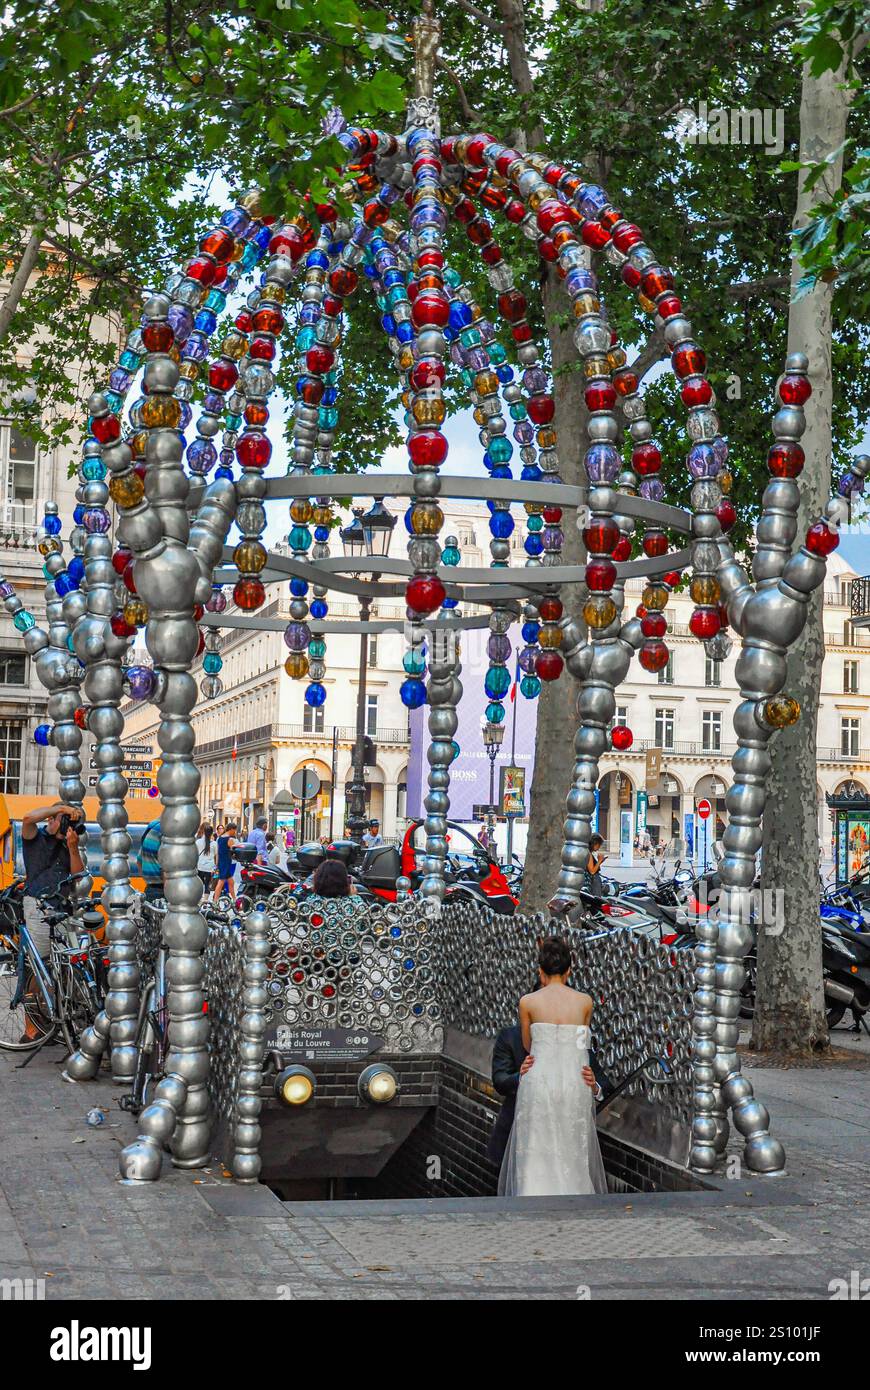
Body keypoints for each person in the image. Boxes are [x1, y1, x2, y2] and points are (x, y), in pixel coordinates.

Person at [498, 936, 608, 1197]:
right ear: (570, 970)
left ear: (540, 971)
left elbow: (527, 1044)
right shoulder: (585, 1001)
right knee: (572, 1147)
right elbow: (584, 1042)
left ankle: (532, 1196)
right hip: (574, 1080)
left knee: (537, 1145)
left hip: (540, 1080)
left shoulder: (528, 1002)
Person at [486, 1009, 612, 1169]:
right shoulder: (511, 1037)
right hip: (519, 1138)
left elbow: (604, 1086)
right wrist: (522, 1077)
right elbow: (500, 1081)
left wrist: (594, 1087)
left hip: (566, 1145)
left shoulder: (576, 1039)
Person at [137, 817, 165, 903]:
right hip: (162, 891)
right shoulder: (166, 830)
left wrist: (149, 879)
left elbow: (139, 861)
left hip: (150, 890)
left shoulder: (151, 829)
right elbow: (165, 869)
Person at [214, 822, 239, 901]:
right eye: (234, 830)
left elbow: (218, 852)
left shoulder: (220, 838)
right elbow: (233, 853)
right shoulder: (230, 839)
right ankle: (215, 901)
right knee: (221, 882)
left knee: (231, 882)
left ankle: (234, 899)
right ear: (231, 829)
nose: (235, 832)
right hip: (226, 862)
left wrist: (217, 865)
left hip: (222, 862)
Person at [583, 833, 607, 898]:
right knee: (596, 900)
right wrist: (599, 860)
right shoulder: (589, 854)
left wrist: (600, 861)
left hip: (592, 880)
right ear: (595, 843)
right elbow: (592, 871)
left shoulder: (586, 852)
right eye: (599, 845)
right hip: (593, 881)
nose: (599, 847)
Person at [195, 823, 216, 891]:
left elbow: (195, 854)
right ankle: (206, 900)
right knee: (207, 885)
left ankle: (200, 899)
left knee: (199, 884)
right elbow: (216, 856)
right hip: (210, 867)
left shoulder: (198, 841)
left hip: (200, 866)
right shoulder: (214, 843)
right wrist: (216, 867)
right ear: (212, 833)